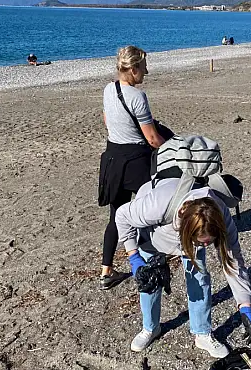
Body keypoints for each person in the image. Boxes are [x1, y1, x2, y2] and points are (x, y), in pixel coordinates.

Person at [115, 179, 251, 358]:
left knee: (199, 278)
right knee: (150, 281)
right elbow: (122, 215)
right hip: (153, 233)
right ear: (187, 231)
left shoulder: (220, 215)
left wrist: (245, 306)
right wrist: (134, 258)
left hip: (186, 240)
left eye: (210, 241)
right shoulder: (156, 205)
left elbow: (234, 262)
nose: (208, 245)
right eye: (204, 241)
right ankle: (150, 328)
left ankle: (202, 333)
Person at [98, 45, 166, 290]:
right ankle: (152, 256)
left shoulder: (108, 89)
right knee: (150, 208)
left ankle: (107, 270)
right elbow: (151, 139)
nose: (146, 72)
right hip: (135, 160)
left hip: (112, 158)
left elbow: (107, 119)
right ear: (134, 68)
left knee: (116, 215)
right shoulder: (138, 97)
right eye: (144, 67)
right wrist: (170, 144)